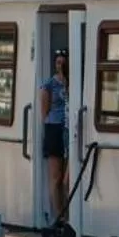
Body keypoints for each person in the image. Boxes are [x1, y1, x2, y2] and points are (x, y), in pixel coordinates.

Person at [40, 51, 70, 226]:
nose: (60, 66)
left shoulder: (71, 82)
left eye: (63, 63)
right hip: (54, 128)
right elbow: (44, 113)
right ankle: (58, 216)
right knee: (56, 177)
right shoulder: (49, 85)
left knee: (67, 177)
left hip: (68, 129)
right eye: (58, 63)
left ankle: (68, 213)